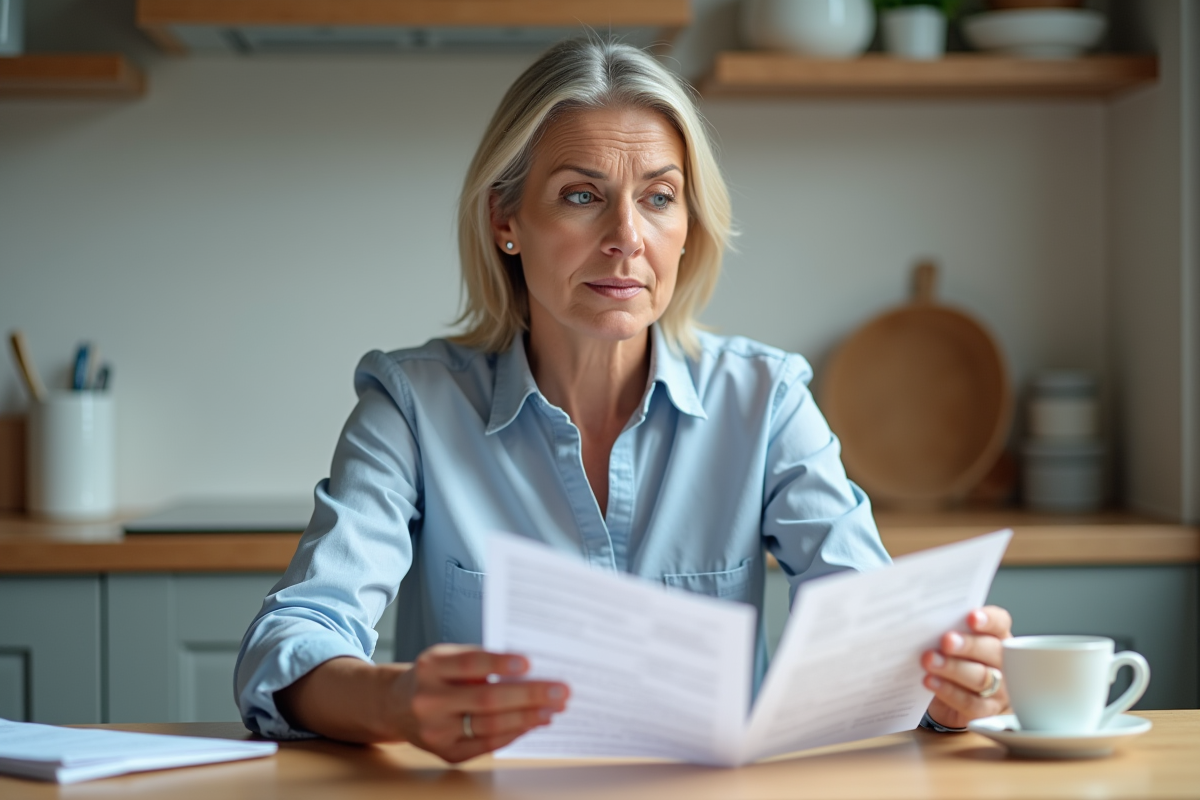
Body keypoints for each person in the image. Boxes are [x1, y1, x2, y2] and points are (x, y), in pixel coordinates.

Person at [234, 37, 1013, 763]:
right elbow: (290, 640)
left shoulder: (766, 401)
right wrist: (398, 700)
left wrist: (948, 686)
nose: (626, 237)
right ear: (507, 220)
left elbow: (876, 637)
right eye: (581, 196)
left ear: (688, 227)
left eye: (659, 198)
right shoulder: (411, 406)